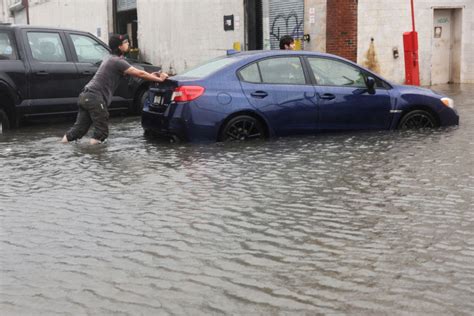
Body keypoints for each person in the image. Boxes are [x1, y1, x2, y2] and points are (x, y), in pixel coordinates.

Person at [61, 34, 168, 145]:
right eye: (126, 42)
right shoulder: (117, 61)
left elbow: (137, 72)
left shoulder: (109, 58)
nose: (128, 44)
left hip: (85, 96)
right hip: (95, 98)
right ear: (119, 46)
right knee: (101, 133)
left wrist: (154, 76)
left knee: (78, 131)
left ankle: (63, 145)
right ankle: (97, 159)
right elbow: (139, 73)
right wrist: (159, 80)